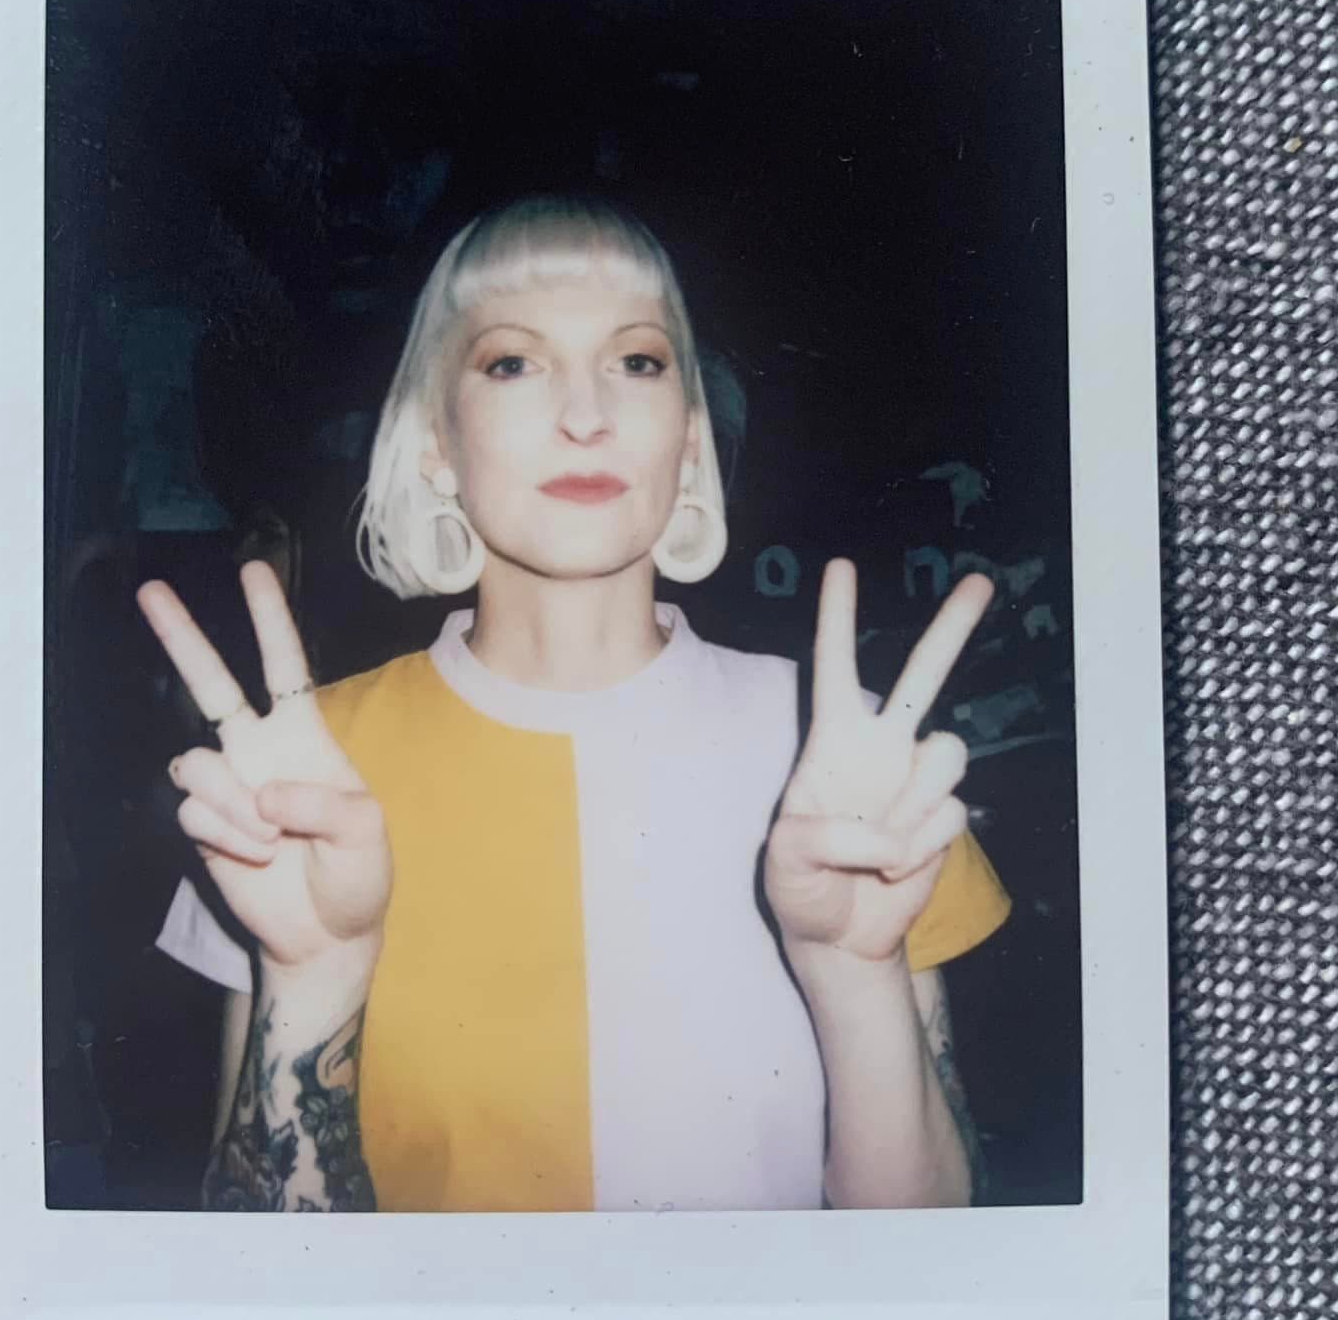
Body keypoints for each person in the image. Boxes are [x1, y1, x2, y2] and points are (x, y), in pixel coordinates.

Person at [136, 193, 1011, 1216]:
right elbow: (259, 1285)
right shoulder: (298, 772)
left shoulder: (848, 753)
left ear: (690, 439)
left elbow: (937, 1244)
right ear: (435, 441)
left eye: (638, 360)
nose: (587, 415)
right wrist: (312, 977)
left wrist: (855, 974)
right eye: (513, 363)